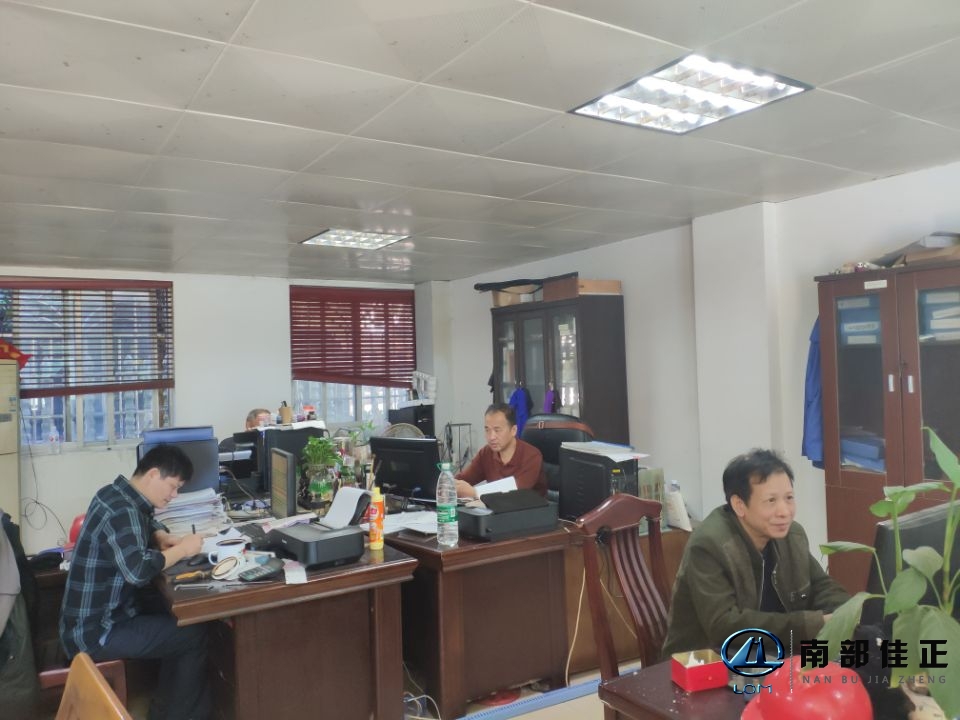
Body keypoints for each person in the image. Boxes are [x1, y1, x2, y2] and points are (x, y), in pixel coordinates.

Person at [59, 445, 211, 720]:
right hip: (96, 633)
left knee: (176, 616)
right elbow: (138, 571)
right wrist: (183, 550)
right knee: (192, 634)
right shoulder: (121, 511)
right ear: (153, 474)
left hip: (89, 621)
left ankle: (164, 711)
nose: (174, 496)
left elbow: (143, 520)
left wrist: (159, 536)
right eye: (173, 486)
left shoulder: (113, 494)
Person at [662, 448, 849, 657]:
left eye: (789, 498)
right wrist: (813, 623)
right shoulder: (709, 545)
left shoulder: (792, 535)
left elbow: (821, 587)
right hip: (709, 660)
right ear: (739, 505)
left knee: (859, 659)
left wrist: (849, 613)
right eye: (771, 501)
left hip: (774, 653)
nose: (784, 511)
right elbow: (724, 626)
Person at [455, 403, 547, 498]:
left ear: (513, 430)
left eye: (497, 430)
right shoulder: (486, 453)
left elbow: (515, 494)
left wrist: (475, 492)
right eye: (487, 430)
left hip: (528, 506)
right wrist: (451, 484)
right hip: (495, 506)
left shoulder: (532, 456)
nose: (491, 437)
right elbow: (462, 480)